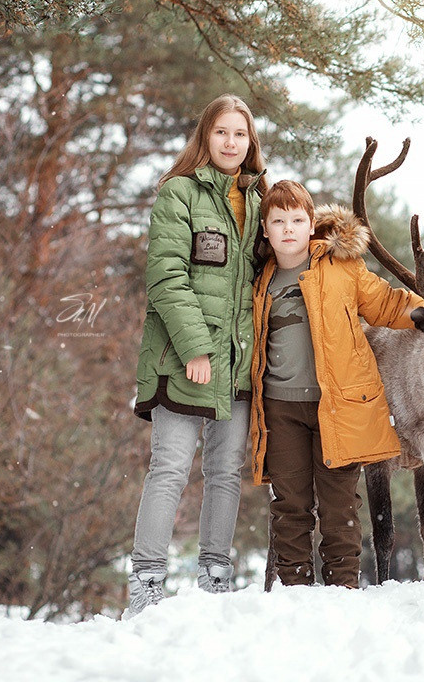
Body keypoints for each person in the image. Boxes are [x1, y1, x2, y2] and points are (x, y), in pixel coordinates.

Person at [127, 94, 268, 616]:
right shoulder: (178, 193)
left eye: (241, 134)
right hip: (182, 358)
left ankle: (215, 577)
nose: (232, 143)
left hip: (236, 363)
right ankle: (145, 585)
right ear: (205, 137)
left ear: (250, 141)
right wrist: (196, 348)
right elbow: (167, 278)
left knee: (227, 470)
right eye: (222, 133)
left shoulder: (256, 200)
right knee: (168, 469)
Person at [251, 180, 424, 588]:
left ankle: (342, 588)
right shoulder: (261, 278)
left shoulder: (340, 267)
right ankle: (295, 588)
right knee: (290, 504)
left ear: (311, 224)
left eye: (298, 219)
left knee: (338, 505)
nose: (289, 229)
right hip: (280, 407)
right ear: (265, 229)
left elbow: (385, 303)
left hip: (339, 406)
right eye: (278, 221)